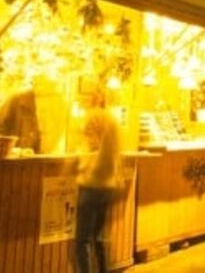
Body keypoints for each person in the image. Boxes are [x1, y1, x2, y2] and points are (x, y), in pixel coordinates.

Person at [75, 92, 121, 273]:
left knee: (82, 239)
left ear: (97, 98)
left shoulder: (94, 117)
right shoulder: (114, 121)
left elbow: (93, 147)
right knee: (99, 236)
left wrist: (83, 168)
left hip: (92, 184)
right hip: (108, 185)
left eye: (86, 97)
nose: (83, 100)